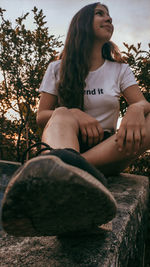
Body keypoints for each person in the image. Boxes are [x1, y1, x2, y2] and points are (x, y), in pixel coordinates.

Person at [1, 2, 150, 237]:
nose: (109, 19)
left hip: (109, 149)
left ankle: (62, 170)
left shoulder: (120, 70)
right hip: (67, 140)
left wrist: (135, 109)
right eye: (100, 14)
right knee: (60, 113)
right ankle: (71, 172)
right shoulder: (56, 68)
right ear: (82, 23)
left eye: (110, 15)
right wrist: (74, 113)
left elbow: (142, 103)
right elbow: (42, 116)